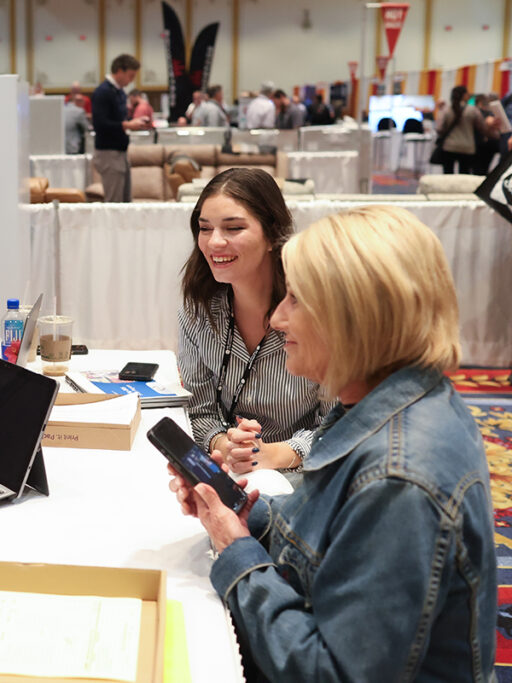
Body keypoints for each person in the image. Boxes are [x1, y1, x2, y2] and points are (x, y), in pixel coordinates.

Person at [168, 205, 495, 681]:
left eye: (296, 300)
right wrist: (235, 509)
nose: (278, 318)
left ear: (354, 318)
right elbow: (325, 534)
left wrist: (237, 552)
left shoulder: (398, 480)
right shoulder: (379, 402)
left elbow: (329, 673)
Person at [178, 168, 332, 473]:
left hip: (309, 475)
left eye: (233, 228)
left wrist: (275, 454)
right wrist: (225, 444)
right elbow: (198, 411)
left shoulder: (317, 310)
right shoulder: (199, 307)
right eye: (205, 228)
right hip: (229, 469)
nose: (214, 242)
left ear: (273, 234)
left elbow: (342, 425)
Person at [92, 53, 151, 202]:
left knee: (125, 202)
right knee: (114, 203)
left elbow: (118, 120)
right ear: (119, 71)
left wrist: (133, 121)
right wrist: (127, 125)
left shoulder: (119, 92)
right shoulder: (103, 92)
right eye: (130, 76)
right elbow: (100, 124)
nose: (131, 80)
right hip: (108, 153)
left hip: (120, 152)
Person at [438, 84, 486, 174]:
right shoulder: (473, 110)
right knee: (464, 174)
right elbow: (482, 127)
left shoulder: (446, 109)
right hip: (467, 146)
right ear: (464, 95)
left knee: (447, 174)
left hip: (449, 146)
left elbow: (439, 128)